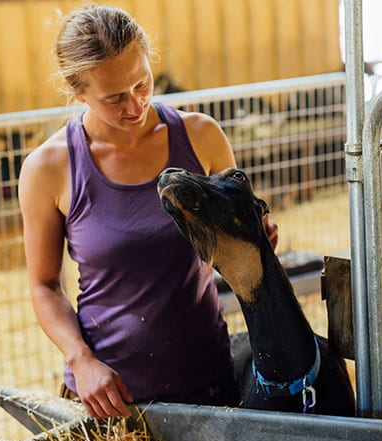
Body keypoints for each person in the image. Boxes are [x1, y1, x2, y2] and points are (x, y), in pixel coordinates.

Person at [19, 4, 278, 419]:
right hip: (111, 402)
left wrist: (255, 239)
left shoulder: (202, 137)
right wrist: (80, 360)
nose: (136, 106)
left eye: (142, 84)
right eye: (114, 98)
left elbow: (241, 247)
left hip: (209, 386)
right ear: (76, 90)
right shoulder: (47, 169)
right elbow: (44, 285)